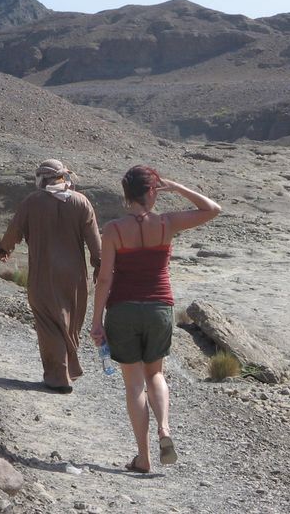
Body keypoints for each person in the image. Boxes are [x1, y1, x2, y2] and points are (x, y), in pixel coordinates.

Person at [90, 165, 221, 473]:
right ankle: (164, 429)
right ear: (152, 192)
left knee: (134, 385)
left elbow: (104, 280)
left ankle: (144, 457)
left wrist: (96, 321)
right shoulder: (166, 223)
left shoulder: (114, 229)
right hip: (159, 308)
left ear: (125, 194)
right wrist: (176, 187)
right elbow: (212, 209)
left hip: (122, 310)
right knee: (156, 376)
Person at [0, 159, 102, 394]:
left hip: (42, 275)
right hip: (74, 278)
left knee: (49, 325)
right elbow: (96, 244)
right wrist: (99, 266)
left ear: (42, 179)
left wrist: (4, 248)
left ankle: (59, 377)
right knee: (69, 324)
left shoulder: (32, 202)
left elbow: (13, 232)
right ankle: (67, 370)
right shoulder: (81, 202)